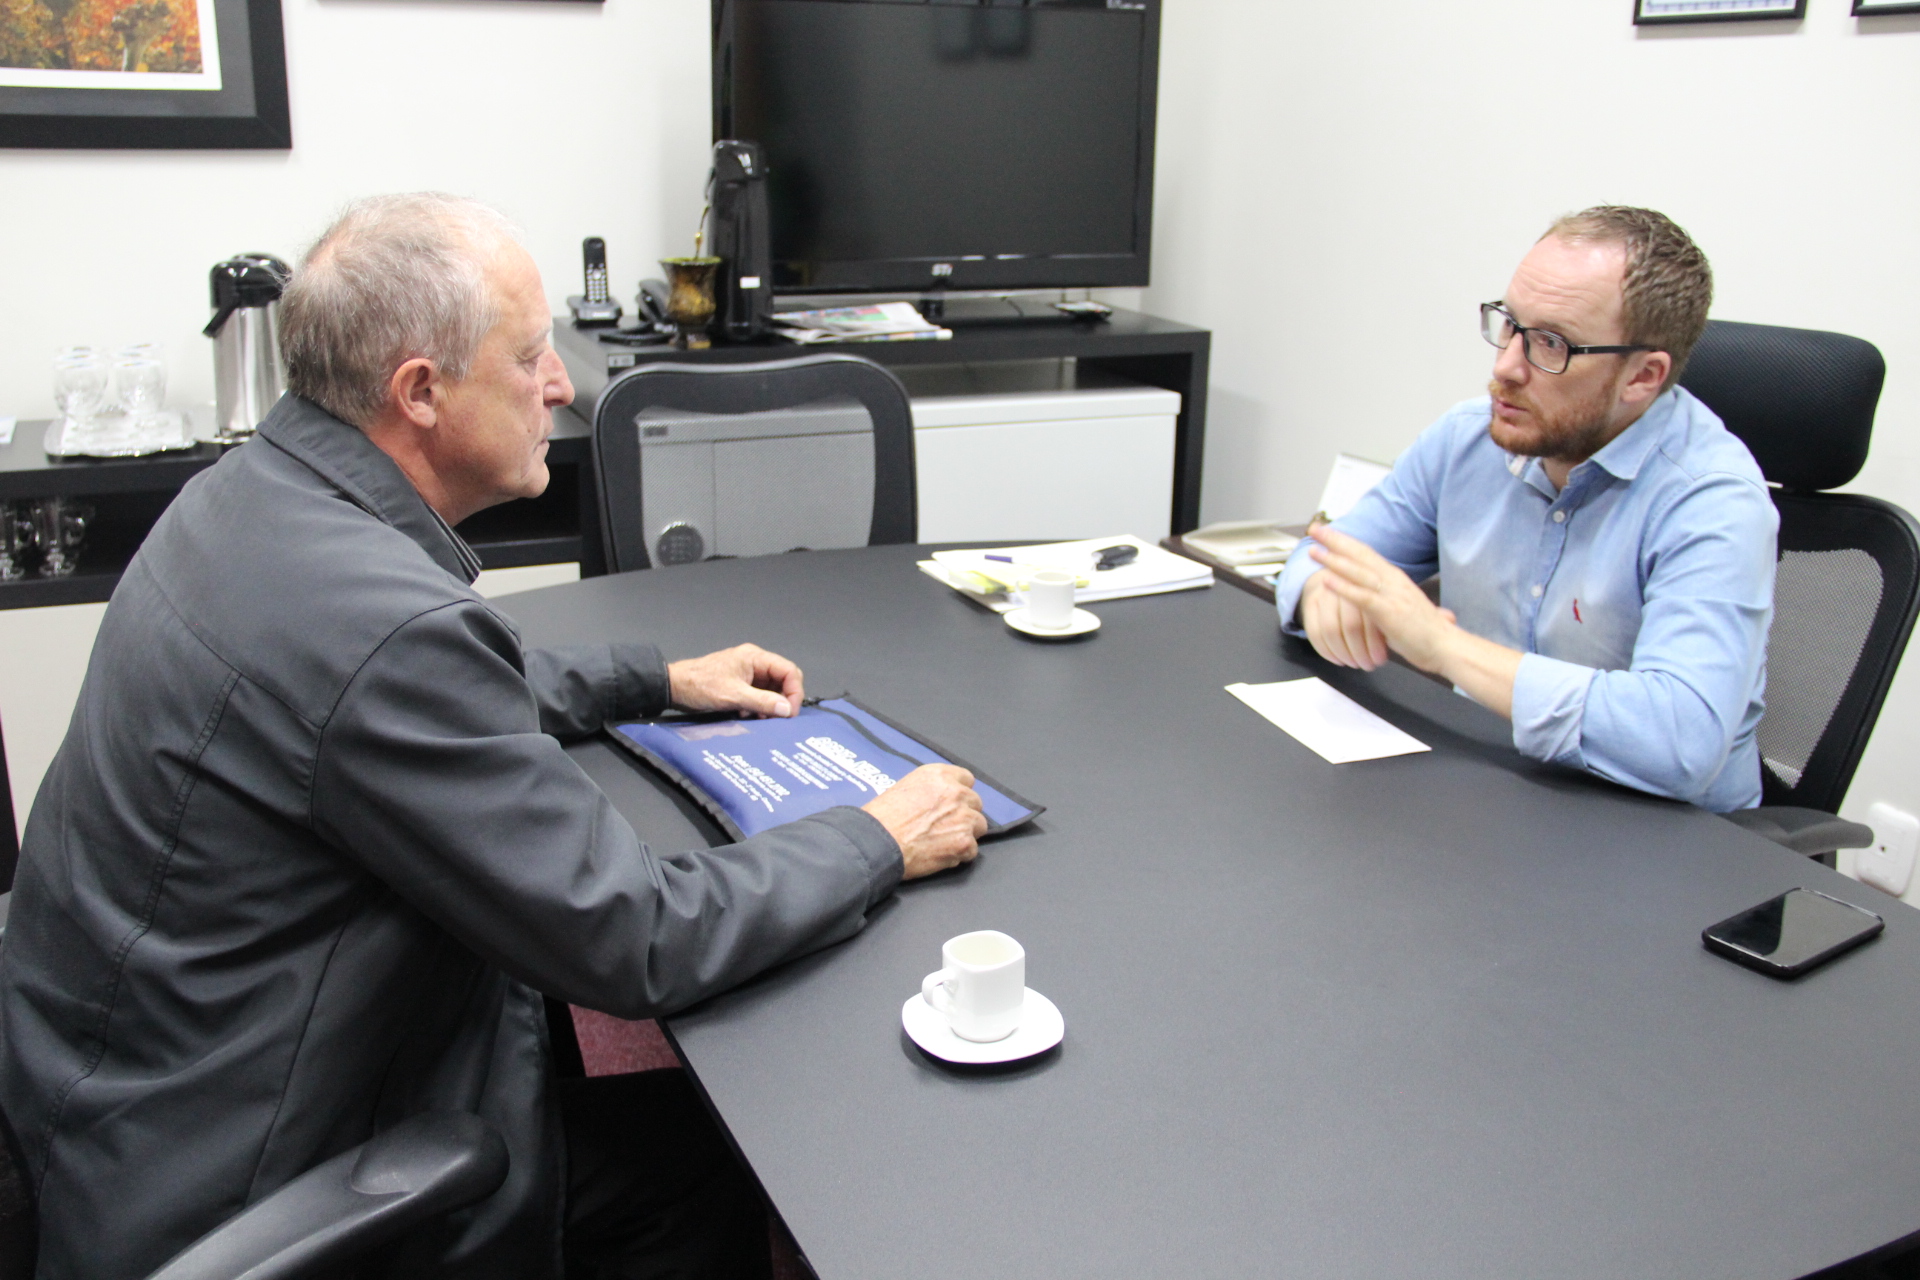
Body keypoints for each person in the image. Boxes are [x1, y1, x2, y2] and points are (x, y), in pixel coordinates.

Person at [0, 193, 988, 1279]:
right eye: (528, 358)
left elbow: (398, 691)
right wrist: (877, 835)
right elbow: (640, 935)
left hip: (118, 1109)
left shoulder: (247, 499)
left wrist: (652, 680)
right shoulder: (384, 630)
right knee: (718, 1161)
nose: (561, 384)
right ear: (420, 391)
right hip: (245, 1181)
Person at [1273, 206, 1776, 812]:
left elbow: (1680, 742)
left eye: (1551, 344)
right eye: (1510, 325)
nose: (1505, 366)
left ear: (1643, 376)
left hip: (1661, 839)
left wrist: (1442, 647)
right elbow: (1322, 555)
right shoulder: (1468, 439)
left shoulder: (1712, 500)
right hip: (1494, 794)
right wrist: (1323, 592)